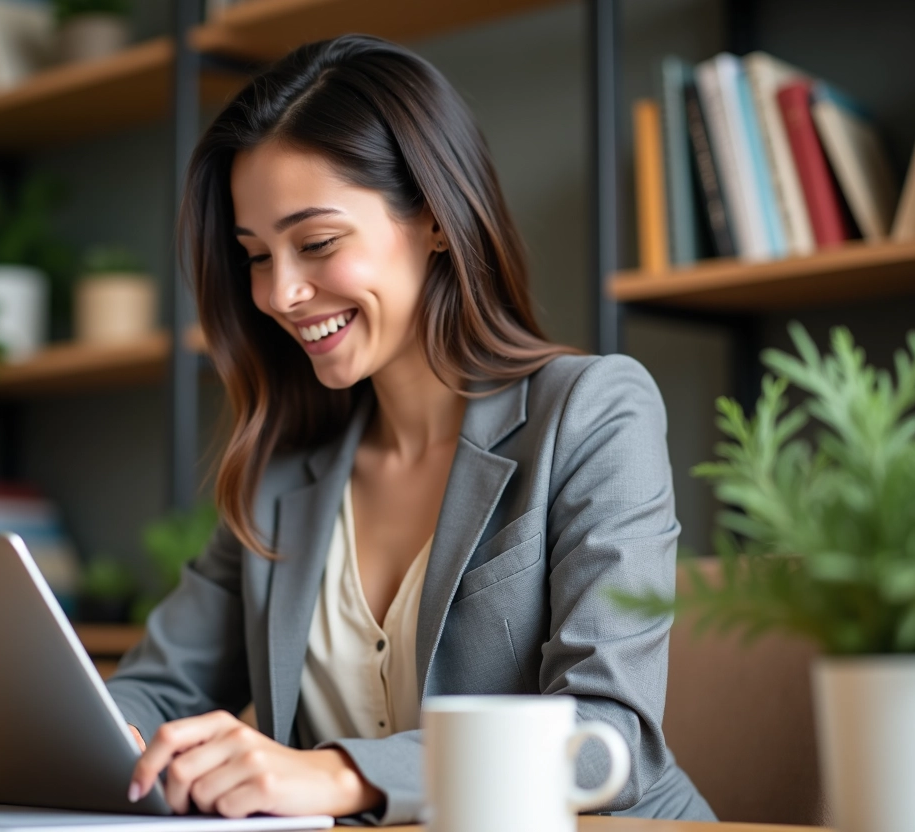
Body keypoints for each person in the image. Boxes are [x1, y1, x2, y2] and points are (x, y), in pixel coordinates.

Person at [106, 33, 715, 825]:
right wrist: (107, 734)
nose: (281, 292)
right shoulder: (281, 473)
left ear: (432, 218)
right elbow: (159, 686)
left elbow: (608, 738)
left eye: (317, 243)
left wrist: (336, 776)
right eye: (254, 255)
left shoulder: (593, 411)